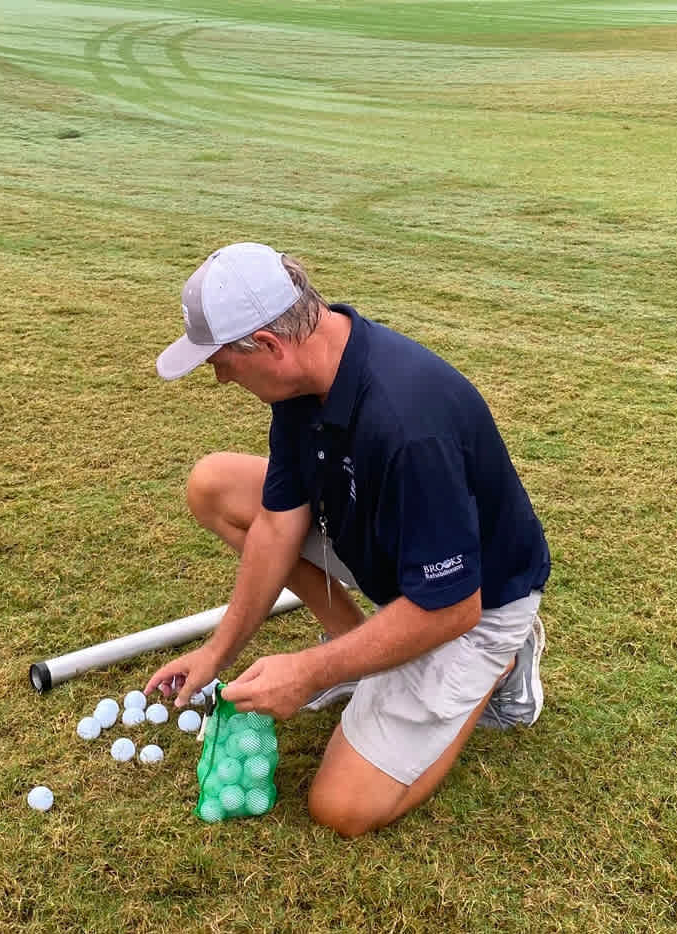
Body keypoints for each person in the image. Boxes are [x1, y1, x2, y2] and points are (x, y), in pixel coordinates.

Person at [145, 242, 551, 837]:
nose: (218, 375)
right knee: (215, 486)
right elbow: (279, 523)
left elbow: (453, 605)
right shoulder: (306, 378)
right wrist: (217, 653)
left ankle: (497, 670)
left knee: (342, 808)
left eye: (219, 361)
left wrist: (309, 672)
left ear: (267, 345)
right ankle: (360, 648)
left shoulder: (410, 427)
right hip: (387, 544)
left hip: (475, 602)